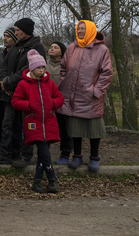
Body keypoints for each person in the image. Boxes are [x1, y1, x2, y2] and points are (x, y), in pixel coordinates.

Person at [0, 18, 46, 168]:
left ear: (26, 30)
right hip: (10, 94)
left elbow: (29, 69)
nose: (16, 32)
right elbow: (4, 66)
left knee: (27, 126)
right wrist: (2, 82)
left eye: (18, 30)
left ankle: (25, 156)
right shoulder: (17, 46)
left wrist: (8, 82)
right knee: (7, 124)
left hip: (27, 94)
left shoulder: (36, 47)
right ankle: (5, 154)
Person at [59, 20, 113, 172]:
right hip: (73, 94)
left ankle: (94, 157)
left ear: (91, 30)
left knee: (93, 128)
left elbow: (107, 72)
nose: (80, 31)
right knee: (75, 127)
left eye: (83, 28)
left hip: (91, 96)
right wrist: (65, 84)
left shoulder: (102, 49)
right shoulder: (72, 47)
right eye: (79, 28)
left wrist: (95, 91)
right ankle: (77, 156)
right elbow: (63, 67)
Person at [11, 50, 64, 193]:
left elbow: (60, 98)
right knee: (44, 152)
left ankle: (37, 181)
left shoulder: (50, 83)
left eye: (43, 68)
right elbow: (15, 101)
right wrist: (28, 106)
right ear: (32, 68)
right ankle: (52, 179)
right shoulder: (23, 84)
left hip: (49, 122)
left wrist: (52, 104)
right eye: (38, 68)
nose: (41, 71)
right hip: (33, 122)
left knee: (43, 153)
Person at [0, 28, 18, 158]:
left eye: (8, 36)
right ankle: (2, 149)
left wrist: (4, 87)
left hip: (11, 95)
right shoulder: (1, 54)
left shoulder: (17, 54)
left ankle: (11, 152)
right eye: (4, 35)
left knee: (9, 125)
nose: (5, 38)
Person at [46, 41, 72, 164]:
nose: (52, 48)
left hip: (62, 101)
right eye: (51, 47)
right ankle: (45, 154)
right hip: (46, 103)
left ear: (62, 52)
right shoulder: (43, 64)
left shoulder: (66, 65)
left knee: (64, 129)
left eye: (55, 47)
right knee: (46, 129)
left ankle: (65, 154)